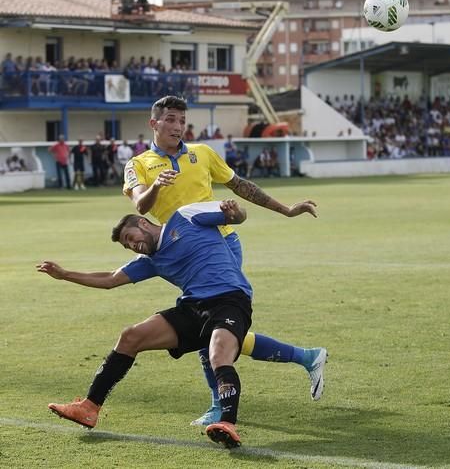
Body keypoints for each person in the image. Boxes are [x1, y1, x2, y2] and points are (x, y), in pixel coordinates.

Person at [122, 95, 326, 426]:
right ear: (154, 123)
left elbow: (240, 186)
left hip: (221, 245)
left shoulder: (201, 153)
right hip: (179, 255)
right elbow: (140, 207)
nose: (177, 126)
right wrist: (156, 186)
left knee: (209, 327)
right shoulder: (139, 164)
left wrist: (286, 209)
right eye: (171, 119)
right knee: (216, 329)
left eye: (182, 120)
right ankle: (305, 356)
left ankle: (219, 405)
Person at [39, 200, 253, 448]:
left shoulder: (185, 217)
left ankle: (227, 423)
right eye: (126, 245)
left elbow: (237, 217)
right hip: (193, 308)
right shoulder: (149, 260)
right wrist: (65, 274)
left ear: (143, 223)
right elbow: (110, 279)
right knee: (130, 336)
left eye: (130, 237)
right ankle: (89, 407)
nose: (131, 245)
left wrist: (235, 213)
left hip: (230, 300)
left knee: (218, 356)